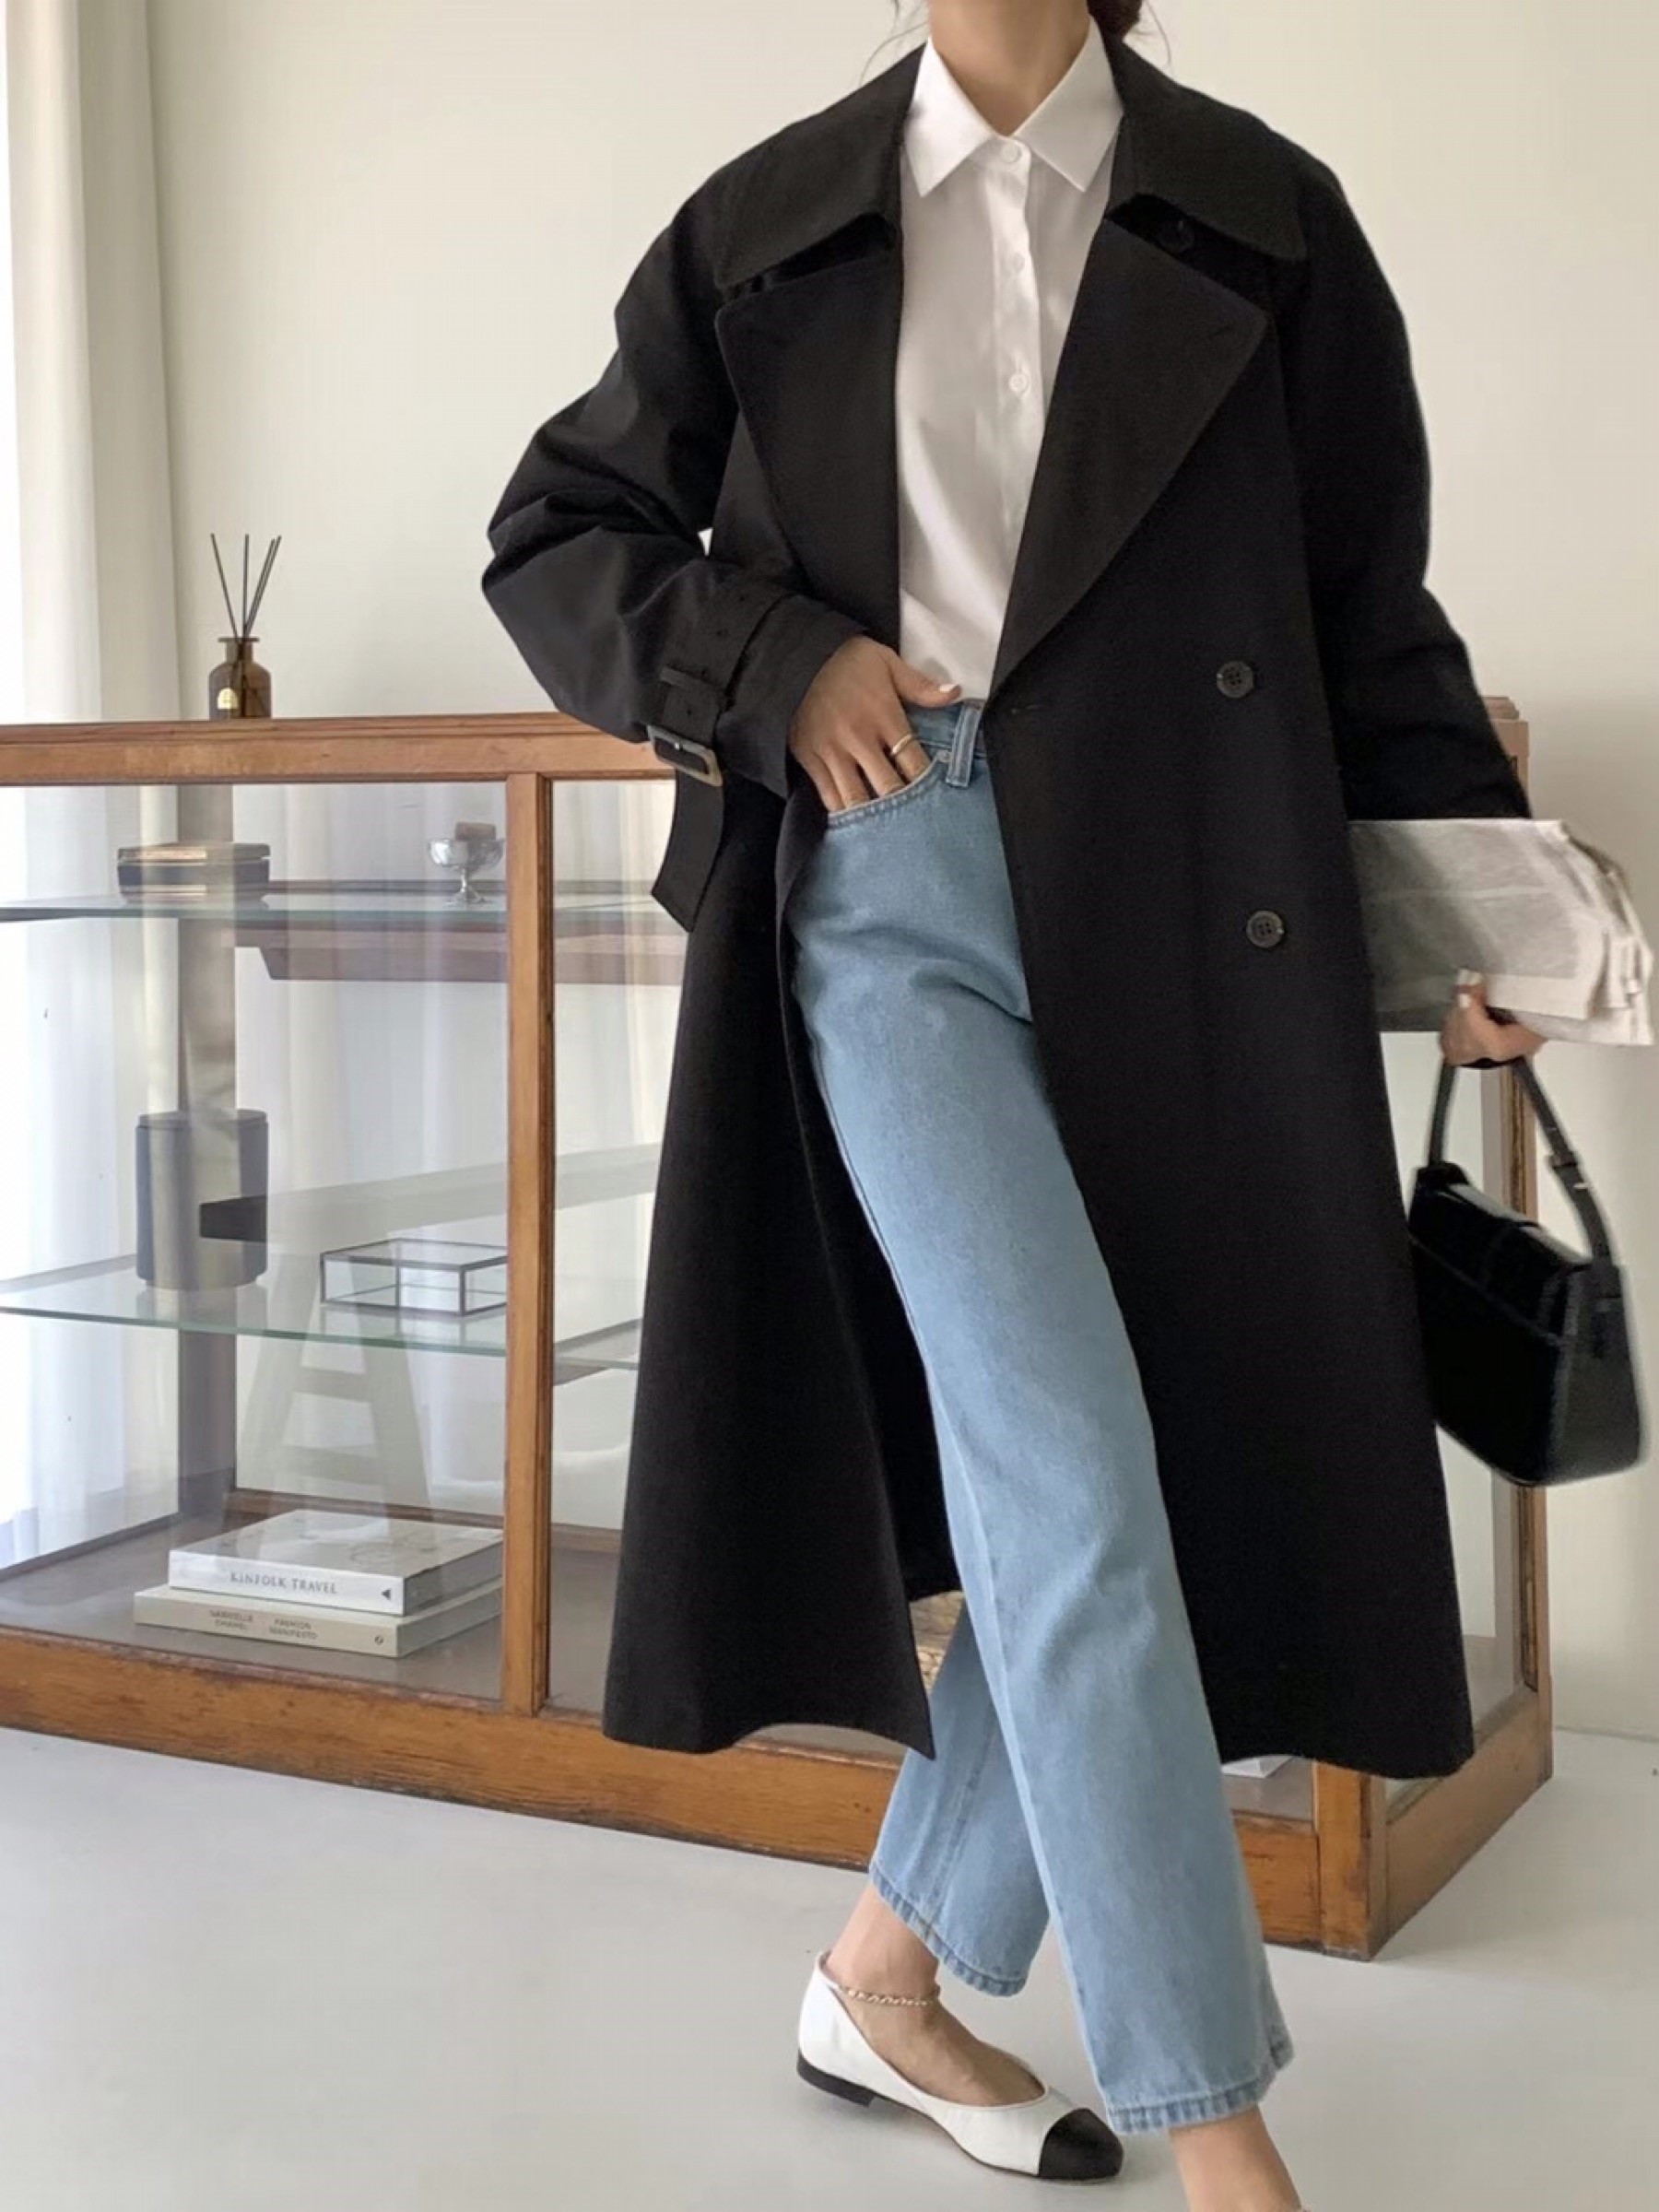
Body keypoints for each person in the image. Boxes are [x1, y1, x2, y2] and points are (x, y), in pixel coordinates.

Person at [483, 5, 1545, 2206]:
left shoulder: (1261, 213)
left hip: (1188, 898)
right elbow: (562, 532)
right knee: (1067, 1474)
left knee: (1123, 1480)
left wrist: (1482, 909)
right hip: (892, 894)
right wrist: (780, 666)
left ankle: (884, 1973)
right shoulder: (769, 220)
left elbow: (1366, 611)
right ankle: (1220, 2134)